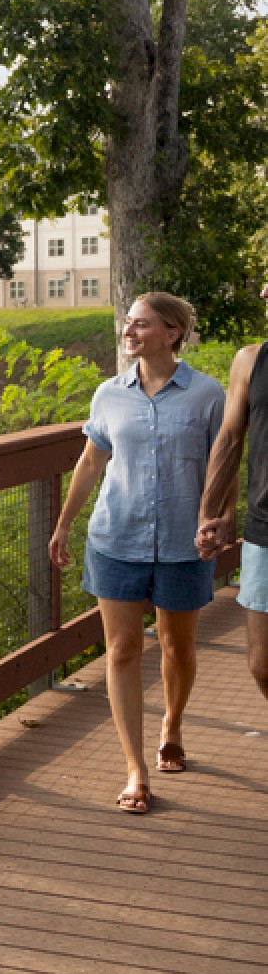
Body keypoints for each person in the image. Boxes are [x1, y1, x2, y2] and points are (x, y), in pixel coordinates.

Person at [49, 293, 225, 814]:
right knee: (122, 650)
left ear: (172, 333)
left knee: (177, 648)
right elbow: (89, 462)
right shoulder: (108, 394)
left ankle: (172, 724)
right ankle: (135, 768)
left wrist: (218, 520)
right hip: (115, 538)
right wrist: (64, 524)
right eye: (128, 322)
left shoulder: (207, 395)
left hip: (182, 544)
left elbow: (225, 465)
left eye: (141, 323)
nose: (129, 330)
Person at [195, 281, 268, 698]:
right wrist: (211, 513)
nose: (263, 293)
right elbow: (228, 439)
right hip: (264, 529)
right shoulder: (250, 361)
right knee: (261, 663)